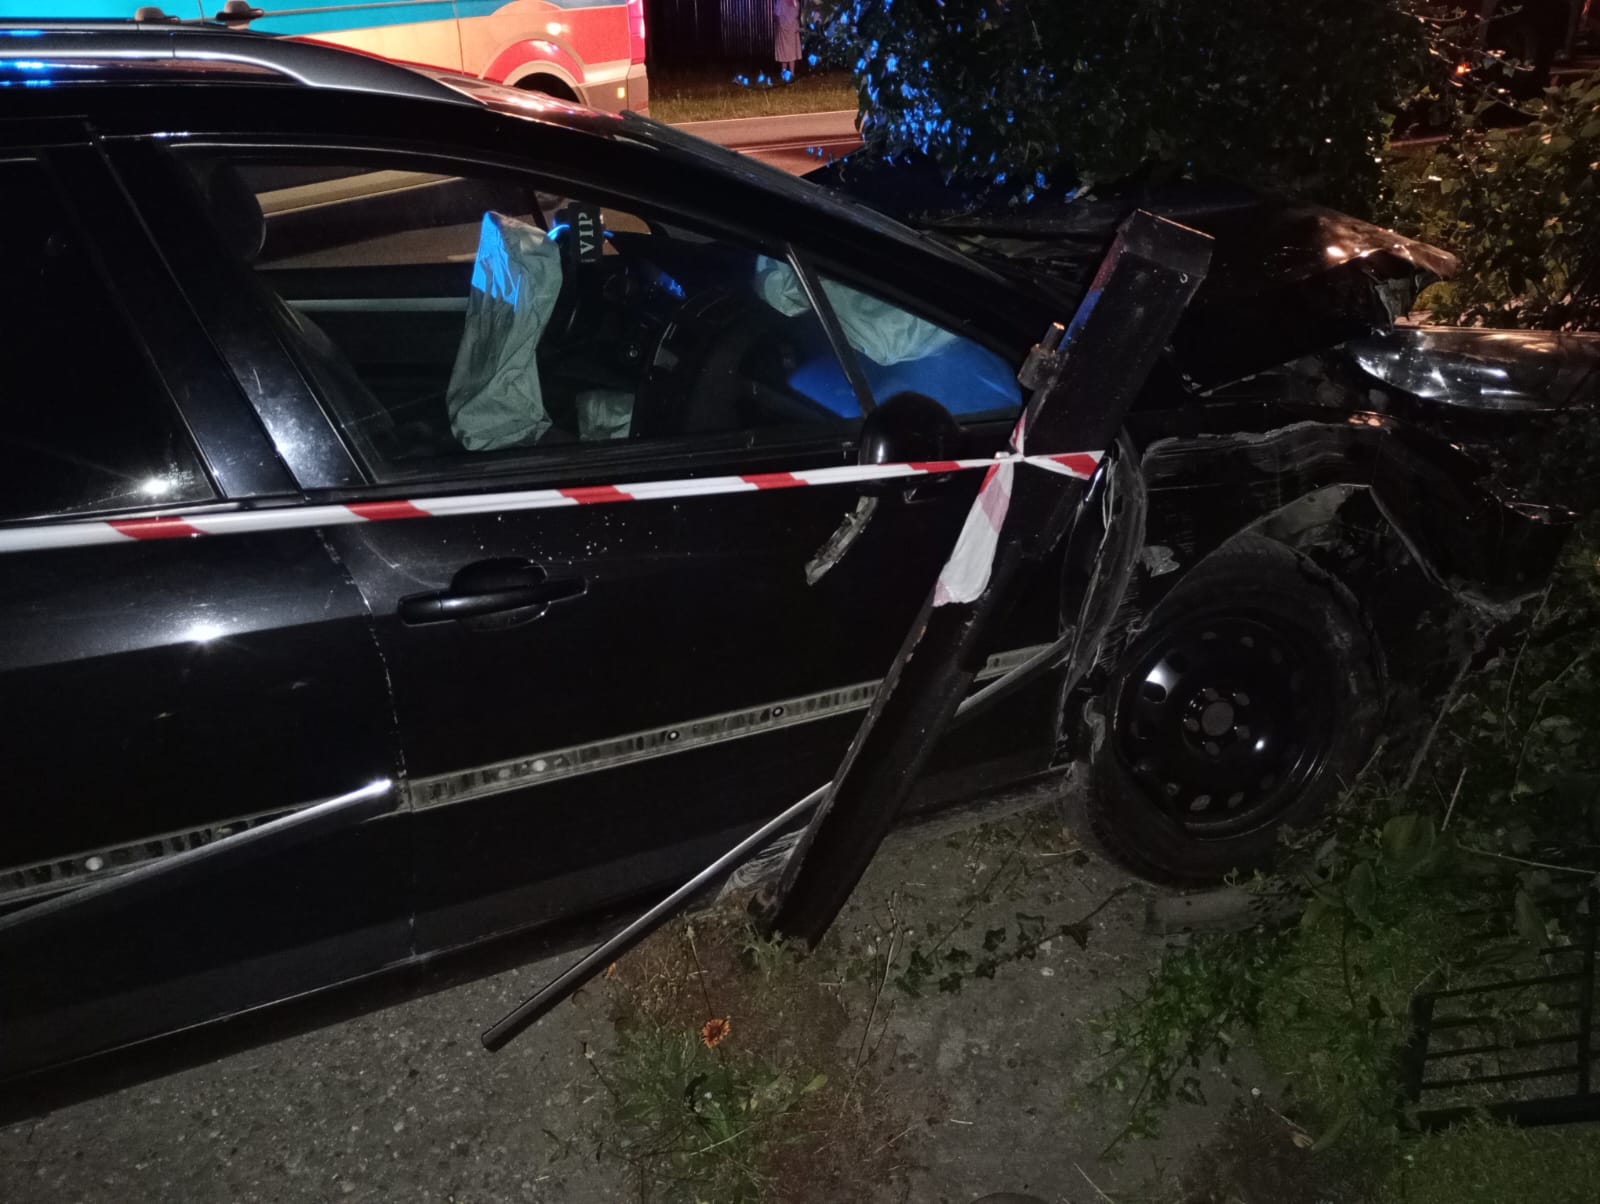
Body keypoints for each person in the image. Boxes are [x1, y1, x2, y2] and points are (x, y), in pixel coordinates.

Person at [773, 0, 801, 77]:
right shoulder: (780, 2)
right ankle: (784, 73)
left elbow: (796, 15)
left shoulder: (795, 2)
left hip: (792, 30)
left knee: (792, 51)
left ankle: (792, 73)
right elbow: (776, 15)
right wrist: (781, 24)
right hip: (783, 30)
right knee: (784, 51)